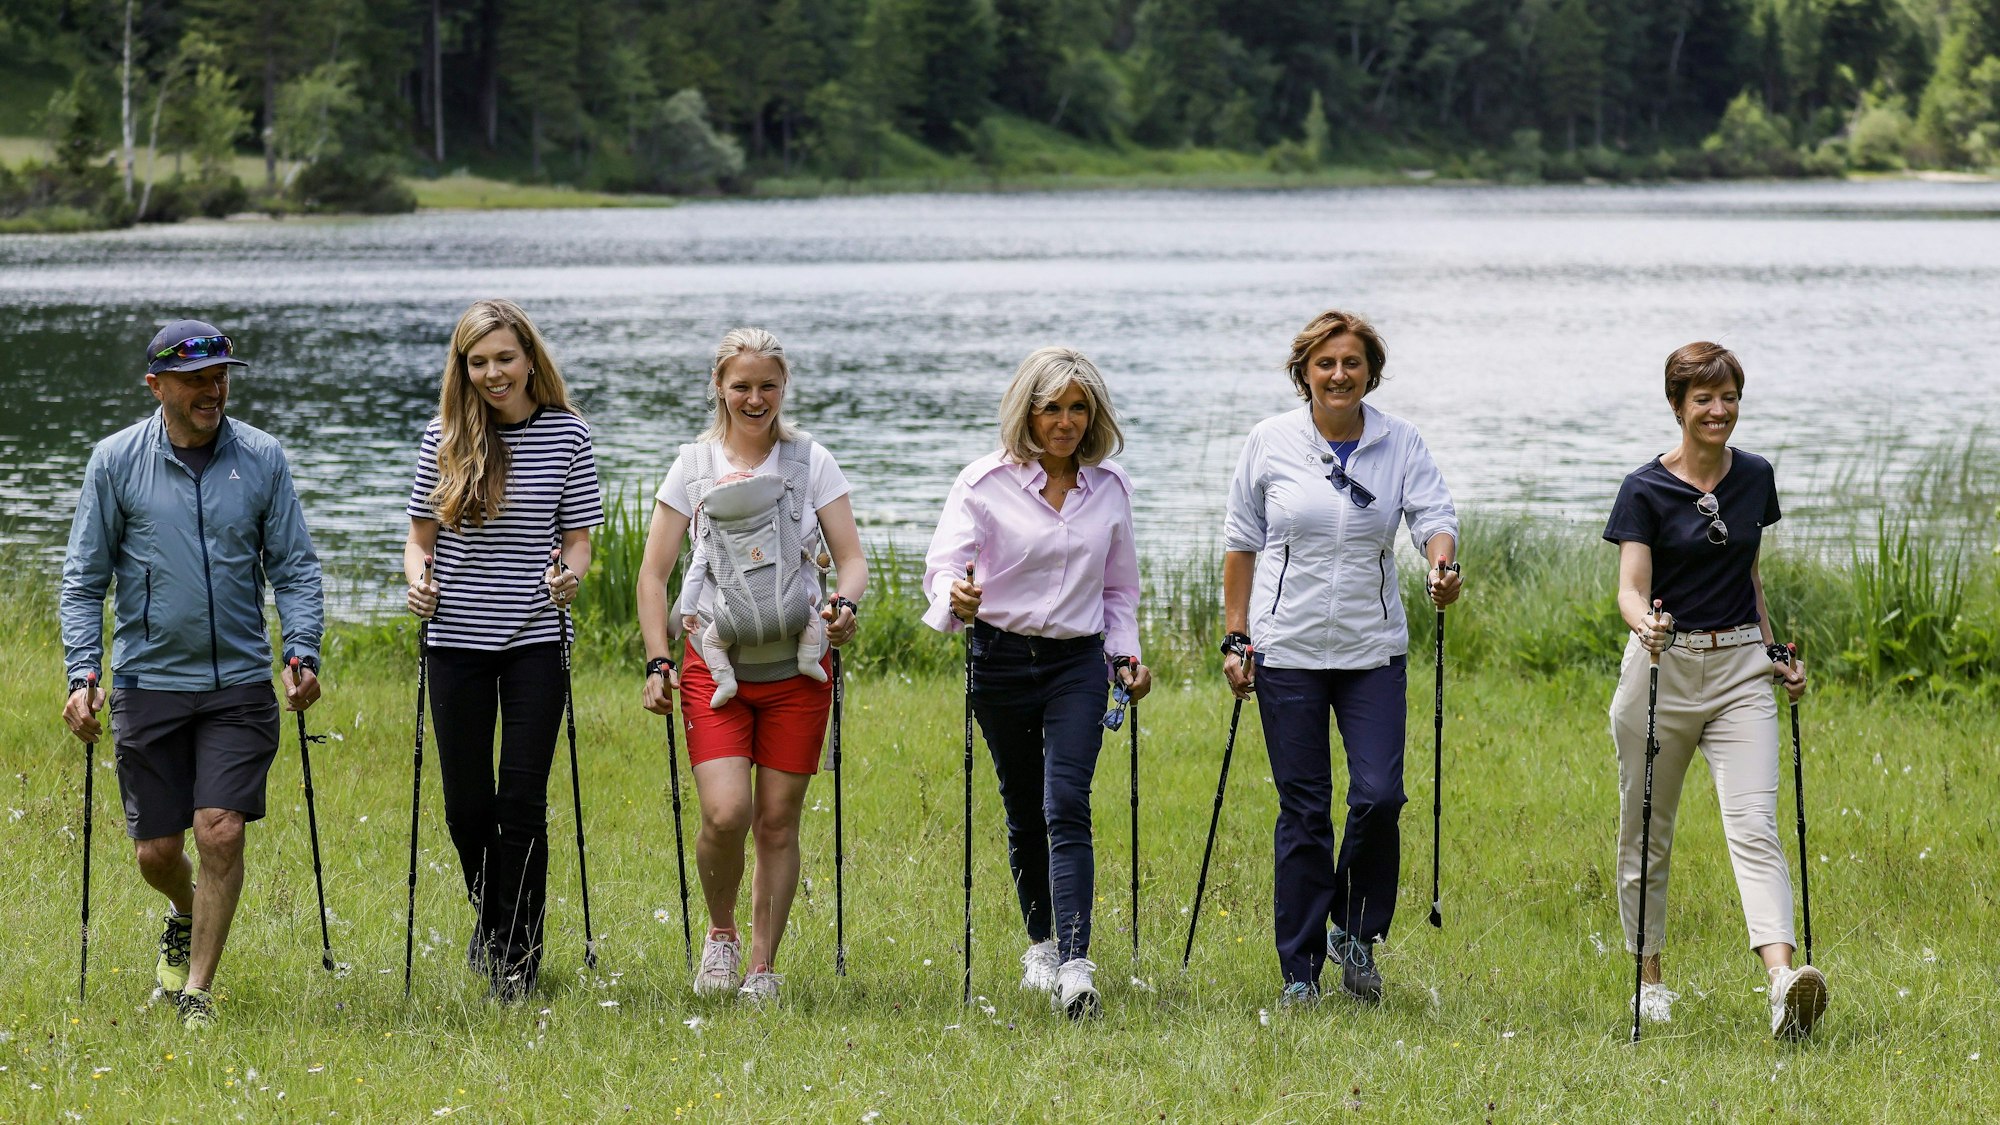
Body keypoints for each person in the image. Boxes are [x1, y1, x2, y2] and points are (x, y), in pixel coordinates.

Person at [60, 319, 324, 1031]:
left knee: (221, 831)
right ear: (156, 386)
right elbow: (84, 580)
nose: (214, 390)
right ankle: (184, 909)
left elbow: (295, 567)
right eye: (196, 380)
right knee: (156, 852)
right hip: (148, 681)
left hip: (239, 682)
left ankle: (196, 993)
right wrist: (82, 672)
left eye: (221, 376)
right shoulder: (115, 462)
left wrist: (302, 651)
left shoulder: (262, 458)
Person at [1219, 309, 1459, 1008]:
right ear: (1304, 372)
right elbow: (1241, 541)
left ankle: (1354, 932)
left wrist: (1442, 566)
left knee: (1379, 796)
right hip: (1286, 649)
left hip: (1372, 650)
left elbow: (1434, 519)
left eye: (1352, 362)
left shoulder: (1399, 441)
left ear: (1370, 372)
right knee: (1304, 810)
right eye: (1325, 363)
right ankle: (1299, 972)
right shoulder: (1270, 441)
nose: (1338, 374)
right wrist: (1236, 637)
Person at [637, 327, 866, 1005]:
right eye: (742, 385)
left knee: (776, 820)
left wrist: (844, 606)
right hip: (715, 671)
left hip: (799, 671)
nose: (755, 398)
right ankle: (721, 934)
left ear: (783, 386)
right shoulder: (693, 466)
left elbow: (850, 559)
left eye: (768, 385)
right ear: (719, 386)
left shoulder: (810, 462)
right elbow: (653, 576)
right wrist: (657, 660)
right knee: (726, 812)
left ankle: (763, 968)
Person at [921, 346, 1149, 1020]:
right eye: (1052, 407)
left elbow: (1119, 590)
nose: (1066, 421)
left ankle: (1077, 965)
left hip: (1077, 663)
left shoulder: (1111, 489)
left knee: (1066, 801)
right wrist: (955, 597)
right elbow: (943, 569)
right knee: (1022, 807)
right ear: (1028, 410)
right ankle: (1041, 947)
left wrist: (1126, 657)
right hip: (998, 658)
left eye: (1079, 408)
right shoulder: (982, 482)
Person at [1603, 341, 1821, 1039]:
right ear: (1678, 406)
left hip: (1739, 670)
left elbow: (1751, 580)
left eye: (1729, 397)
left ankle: (1783, 983)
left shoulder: (1755, 476)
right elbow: (1630, 589)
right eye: (1704, 398)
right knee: (1647, 831)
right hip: (1661, 669)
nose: (1718, 410)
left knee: (1755, 826)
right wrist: (1646, 625)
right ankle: (1649, 981)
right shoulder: (1643, 488)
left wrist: (1776, 655)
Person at [403, 298, 603, 1001]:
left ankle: (516, 959)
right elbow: (419, 540)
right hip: (455, 639)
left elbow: (578, 539)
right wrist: (418, 583)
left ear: (528, 359)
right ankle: (494, 921)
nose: (493, 373)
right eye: (478, 361)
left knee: (520, 802)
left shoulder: (568, 433)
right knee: (466, 807)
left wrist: (569, 575)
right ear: (463, 367)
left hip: (535, 640)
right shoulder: (443, 436)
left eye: (504, 359)